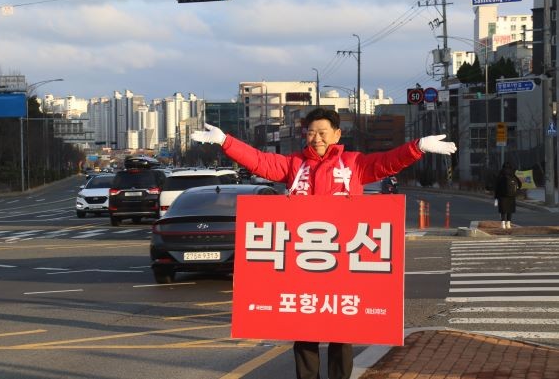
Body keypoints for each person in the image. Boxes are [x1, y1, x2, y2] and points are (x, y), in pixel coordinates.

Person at [191, 107, 457, 379]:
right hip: (303, 262)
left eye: (322, 132)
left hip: (341, 263)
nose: (316, 138)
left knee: (341, 331)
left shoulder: (354, 164)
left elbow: (388, 162)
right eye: (311, 133)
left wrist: (417, 147)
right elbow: (260, 161)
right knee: (304, 331)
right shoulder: (294, 165)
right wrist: (225, 141)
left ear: (337, 134)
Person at [494, 161, 522, 229]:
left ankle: (503, 224)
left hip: (502, 195)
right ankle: (508, 224)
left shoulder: (500, 174)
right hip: (511, 195)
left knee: (503, 210)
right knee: (510, 209)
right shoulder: (513, 174)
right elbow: (520, 184)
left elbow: (496, 186)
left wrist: (496, 197)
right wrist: (516, 190)